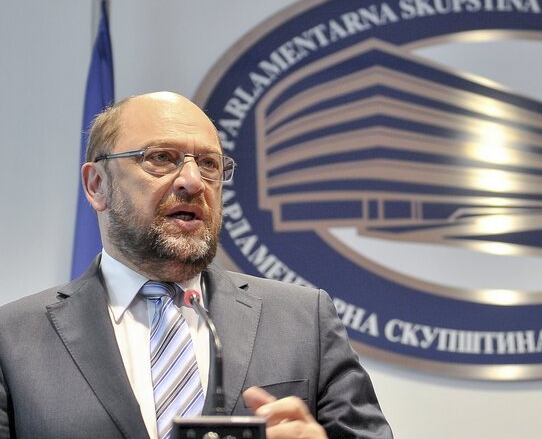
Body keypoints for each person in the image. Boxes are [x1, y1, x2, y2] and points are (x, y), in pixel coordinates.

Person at [0, 91, 393, 439]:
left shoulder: (305, 320)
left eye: (209, 164)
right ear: (97, 185)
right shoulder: (13, 339)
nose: (192, 180)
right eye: (160, 158)